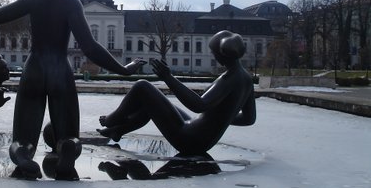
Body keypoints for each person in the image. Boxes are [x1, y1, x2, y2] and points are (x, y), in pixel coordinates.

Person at [0, 0, 145, 179]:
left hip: (35, 67)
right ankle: (67, 147)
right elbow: (90, 47)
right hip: (60, 69)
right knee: (69, 135)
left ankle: (23, 154)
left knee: (23, 136)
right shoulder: (72, 4)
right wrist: (123, 69)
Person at [98, 30, 256, 155]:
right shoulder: (246, 79)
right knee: (152, 103)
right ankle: (118, 130)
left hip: (190, 139)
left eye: (214, 52)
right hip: (201, 139)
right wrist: (222, 117)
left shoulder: (228, 79)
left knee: (142, 86)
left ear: (222, 54)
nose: (212, 55)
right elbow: (249, 119)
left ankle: (112, 120)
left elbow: (199, 105)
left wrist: (168, 78)